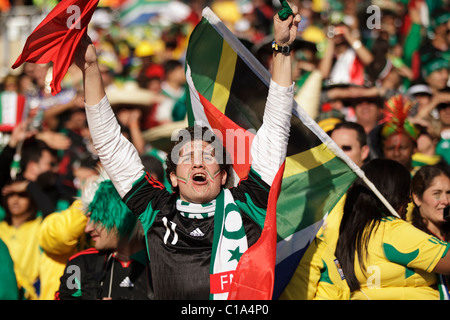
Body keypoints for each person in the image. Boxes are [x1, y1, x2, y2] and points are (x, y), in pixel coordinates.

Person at [75, 4, 300, 299]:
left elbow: (275, 129)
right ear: (172, 177)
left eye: (208, 157)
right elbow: (110, 144)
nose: (198, 162)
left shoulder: (250, 203)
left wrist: (282, 50)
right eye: (186, 157)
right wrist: (91, 68)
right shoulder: (156, 210)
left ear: (223, 176)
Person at [335, 159, 450, 300]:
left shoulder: (352, 232)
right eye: (405, 192)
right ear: (391, 192)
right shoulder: (391, 230)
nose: (409, 201)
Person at [56, 174, 150, 300]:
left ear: (120, 216)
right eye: (88, 218)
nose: (87, 228)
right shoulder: (79, 264)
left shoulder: (164, 263)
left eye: (97, 219)